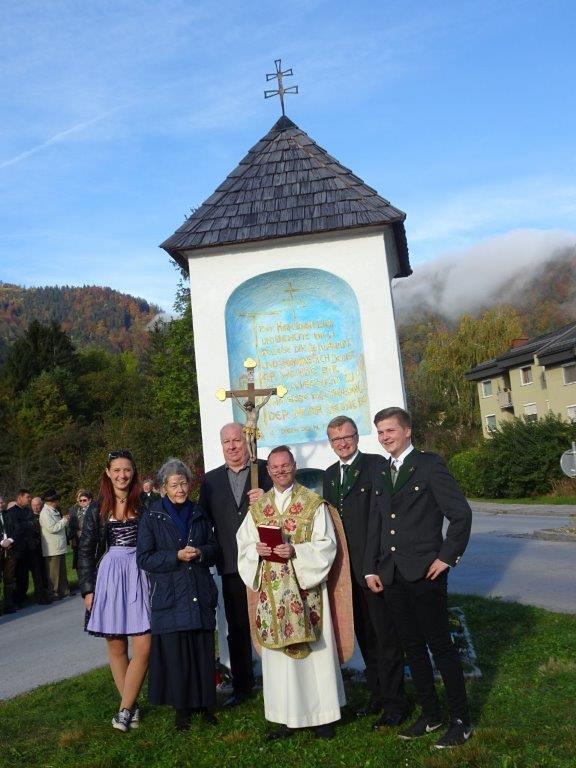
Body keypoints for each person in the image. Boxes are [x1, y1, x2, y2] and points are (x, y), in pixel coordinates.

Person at [364, 407, 473, 749]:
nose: (385, 437)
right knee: (411, 646)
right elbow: (377, 524)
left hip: (425, 571)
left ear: (407, 430)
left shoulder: (428, 465)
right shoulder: (382, 472)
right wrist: (371, 567)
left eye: (390, 430)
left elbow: (460, 514)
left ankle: (460, 721)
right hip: (393, 574)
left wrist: (446, 557)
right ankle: (431, 714)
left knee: (440, 646)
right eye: (380, 432)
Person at [237, 445, 346, 740]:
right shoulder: (259, 507)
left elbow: (327, 545)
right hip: (273, 595)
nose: (280, 471)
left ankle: (322, 718)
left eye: (285, 465)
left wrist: (295, 550)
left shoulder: (313, 503)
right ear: (268, 470)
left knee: (314, 656)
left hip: (306, 592)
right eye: (275, 467)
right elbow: (243, 544)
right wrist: (257, 551)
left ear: (294, 466)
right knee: (281, 662)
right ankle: (286, 718)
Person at [323, 415, 408, 727]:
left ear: (357, 437)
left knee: (386, 639)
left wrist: (377, 564)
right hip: (346, 573)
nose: (342, 443)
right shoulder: (330, 475)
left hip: (374, 569)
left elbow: (384, 520)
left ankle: (396, 704)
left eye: (347, 436)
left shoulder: (375, 466)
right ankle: (378, 696)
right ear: (330, 443)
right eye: (336, 439)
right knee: (365, 637)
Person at [137, 458, 219, 731]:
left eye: (183, 483)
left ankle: (206, 706)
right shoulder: (152, 516)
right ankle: (182, 711)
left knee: (202, 651)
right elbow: (144, 558)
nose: (180, 489)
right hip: (170, 594)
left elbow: (214, 548)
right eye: (174, 485)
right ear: (163, 488)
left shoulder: (199, 512)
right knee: (177, 656)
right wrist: (175, 556)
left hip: (198, 588)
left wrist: (201, 552)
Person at [198, 422, 272, 707]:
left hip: (266, 561)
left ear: (247, 442)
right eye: (226, 442)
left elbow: (285, 506)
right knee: (238, 627)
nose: (231, 446)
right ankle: (242, 686)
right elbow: (203, 521)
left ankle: (278, 680)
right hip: (231, 565)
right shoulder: (211, 481)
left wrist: (266, 498)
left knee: (271, 620)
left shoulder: (264, 471)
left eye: (237, 440)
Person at [77, 450, 151, 733]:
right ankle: (130, 708)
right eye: (117, 470)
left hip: (140, 573)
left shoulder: (146, 503)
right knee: (117, 645)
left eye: (127, 470)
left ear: (134, 472)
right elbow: (85, 551)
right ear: (107, 473)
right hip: (109, 576)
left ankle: (125, 709)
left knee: (144, 645)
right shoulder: (97, 509)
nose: (122, 475)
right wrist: (88, 590)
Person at [39, 490, 71, 599]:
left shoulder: (53, 510)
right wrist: (64, 520)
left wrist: (63, 520)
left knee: (61, 572)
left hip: (58, 546)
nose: (58, 502)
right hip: (52, 548)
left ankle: (64, 591)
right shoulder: (45, 513)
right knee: (54, 574)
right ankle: (54, 593)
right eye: (57, 500)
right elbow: (52, 528)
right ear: (52, 501)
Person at [0, 495, 21, 614]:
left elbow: (17, 529)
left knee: (9, 578)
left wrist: (10, 540)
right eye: (0, 503)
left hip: (10, 550)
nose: (2, 504)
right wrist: (2, 542)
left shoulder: (9, 515)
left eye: (2, 502)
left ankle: (9, 604)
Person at [68, 490, 94, 571]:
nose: (82, 502)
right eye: (80, 500)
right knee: (79, 562)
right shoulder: (75, 510)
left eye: (84, 500)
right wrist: (72, 538)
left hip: (90, 540)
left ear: (89, 500)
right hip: (78, 539)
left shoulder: (94, 510)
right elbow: (72, 526)